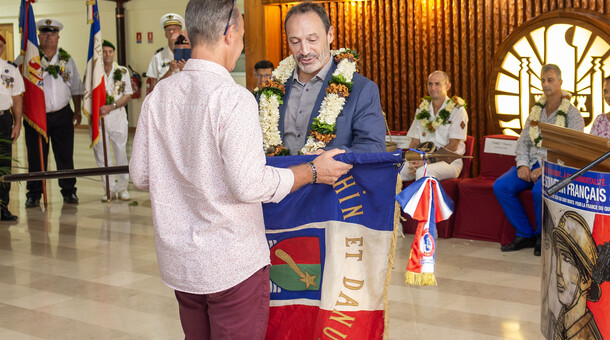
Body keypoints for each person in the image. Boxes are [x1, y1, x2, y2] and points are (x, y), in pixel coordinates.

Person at [128, 0, 352, 338]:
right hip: (231, 265)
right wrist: (313, 171)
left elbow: (140, 175)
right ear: (230, 33)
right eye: (243, 35)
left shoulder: (160, 95)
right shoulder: (232, 98)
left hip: (181, 264)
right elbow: (249, 185)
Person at [493, 64, 584, 256]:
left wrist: (544, 168)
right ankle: (524, 233)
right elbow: (524, 141)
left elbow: (571, 150)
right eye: (543, 80)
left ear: (560, 82)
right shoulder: (536, 110)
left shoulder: (572, 114)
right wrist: (522, 164)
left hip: (555, 167)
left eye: (550, 80)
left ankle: (541, 237)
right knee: (501, 186)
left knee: (538, 192)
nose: (545, 84)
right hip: (531, 162)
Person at [273, 2, 385, 155]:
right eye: (295, 42)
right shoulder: (272, 91)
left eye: (312, 40)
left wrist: (330, 154)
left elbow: (374, 149)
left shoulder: (362, 90)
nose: (304, 51)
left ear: (330, 34)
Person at [23, 19, 83, 208]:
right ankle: (34, 194)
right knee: (36, 157)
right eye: (44, 33)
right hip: (36, 117)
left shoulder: (68, 60)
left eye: (52, 33)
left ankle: (69, 191)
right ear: (38, 36)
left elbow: (75, 88)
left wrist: (78, 110)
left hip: (62, 114)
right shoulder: (28, 58)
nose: (48, 36)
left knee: (65, 156)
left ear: (58, 37)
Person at [400, 70, 468, 181]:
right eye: (430, 84)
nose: (433, 88)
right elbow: (414, 142)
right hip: (423, 159)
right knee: (397, 170)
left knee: (423, 171)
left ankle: (425, 199)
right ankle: (396, 199)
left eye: (437, 84)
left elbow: (453, 146)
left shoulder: (457, 110)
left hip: (449, 161)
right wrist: (414, 160)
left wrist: (428, 161)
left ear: (447, 86)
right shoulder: (422, 109)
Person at [551, 211, 602, 339]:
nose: (558, 271)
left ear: (586, 279)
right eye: (558, 256)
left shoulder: (587, 336)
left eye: (567, 259)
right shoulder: (562, 324)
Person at [95, 40, 132, 201]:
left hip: (117, 117)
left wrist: (111, 106)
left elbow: (127, 95)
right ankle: (108, 189)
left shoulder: (122, 71)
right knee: (102, 156)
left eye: (110, 51)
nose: (107, 54)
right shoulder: (94, 71)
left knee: (120, 153)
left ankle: (123, 188)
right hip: (98, 119)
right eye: (104, 51)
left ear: (114, 53)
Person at [0, 34, 23, 221]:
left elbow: (16, 97)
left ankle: (2, 207)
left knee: (4, 165)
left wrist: (17, 123)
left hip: (3, 120)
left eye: (1, 45)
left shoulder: (10, 69)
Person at [146, 13, 185, 94]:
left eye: (174, 29)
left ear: (181, 32)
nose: (171, 31)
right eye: (168, 29)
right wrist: (169, 71)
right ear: (165, 34)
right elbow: (153, 87)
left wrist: (185, 70)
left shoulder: (191, 54)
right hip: (165, 99)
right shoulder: (158, 56)